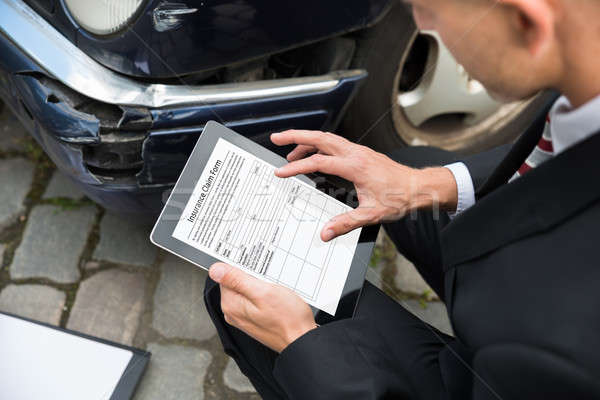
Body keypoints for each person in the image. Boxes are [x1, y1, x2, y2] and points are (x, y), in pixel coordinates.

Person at [204, 0, 600, 398]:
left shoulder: (565, 351)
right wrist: (427, 185)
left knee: (238, 293)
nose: (421, 24)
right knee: (410, 165)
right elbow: (553, 151)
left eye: (426, 9)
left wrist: (301, 343)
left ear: (526, 22)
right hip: (516, 257)